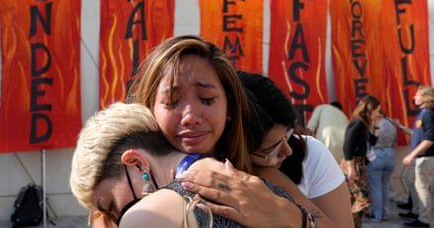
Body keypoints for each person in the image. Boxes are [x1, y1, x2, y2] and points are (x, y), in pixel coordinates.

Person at [128, 35, 334, 227]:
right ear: (150, 107)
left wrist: (290, 216)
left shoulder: (257, 177)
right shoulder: (127, 174)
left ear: (230, 108)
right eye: (172, 102)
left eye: (207, 99)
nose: (190, 117)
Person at [69, 102, 302, 227]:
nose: (115, 219)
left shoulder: (146, 216)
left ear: (137, 164)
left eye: (110, 205)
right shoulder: (247, 179)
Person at [237, 70, 354, 227]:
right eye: (271, 150)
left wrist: (293, 212)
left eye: (288, 133)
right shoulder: (205, 172)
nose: (288, 150)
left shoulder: (310, 154)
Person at [341, 95, 381, 228]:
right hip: (354, 164)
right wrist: (350, 166)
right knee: (362, 200)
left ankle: (353, 224)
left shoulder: (364, 124)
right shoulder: (358, 122)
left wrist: (376, 125)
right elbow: (348, 145)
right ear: (370, 109)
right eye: (377, 110)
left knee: (354, 200)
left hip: (360, 163)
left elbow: (372, 142)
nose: (378, 113)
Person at [401, 85, 434, 228]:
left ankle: (424, 220)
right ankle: (416, 210)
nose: (414, 97)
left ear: (426, 98)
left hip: (426, 157)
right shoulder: (422, 114)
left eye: (417, 95)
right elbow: (419, 134)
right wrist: (402, 128)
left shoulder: (428, 114)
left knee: (422, 187)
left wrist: (411, 155)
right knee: (411, 181)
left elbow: (429, 139)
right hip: (419, 157)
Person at [365, 112, 397, 222]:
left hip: (376, 155)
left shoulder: (372, 123)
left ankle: (376, 215)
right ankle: (385, 213)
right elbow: (395, 139)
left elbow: (369, 141)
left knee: (375, 187)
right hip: (390, 154)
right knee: (385, 186)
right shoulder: (390, 123)